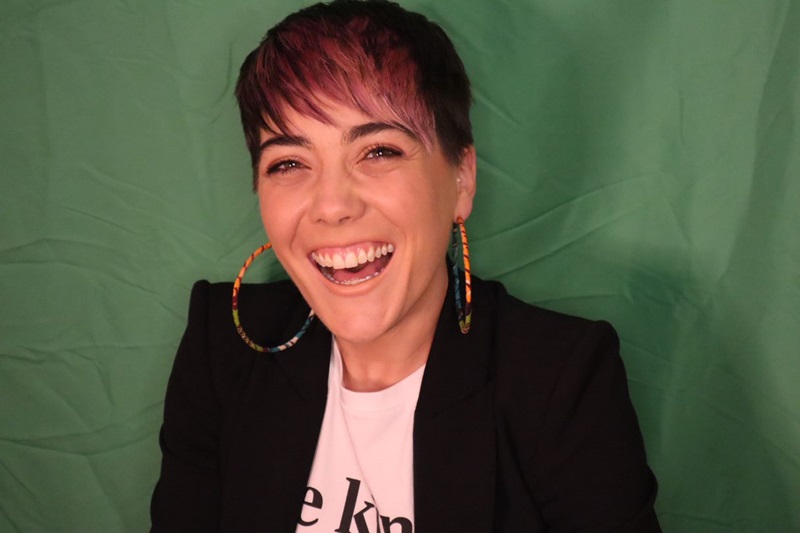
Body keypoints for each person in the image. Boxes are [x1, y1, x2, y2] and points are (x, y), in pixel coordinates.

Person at [150, 0, 661, 531]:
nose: (331, 206)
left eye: (378, 152)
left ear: (461, 178)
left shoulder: (561, 380)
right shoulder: (222, 350)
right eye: (289, 162)